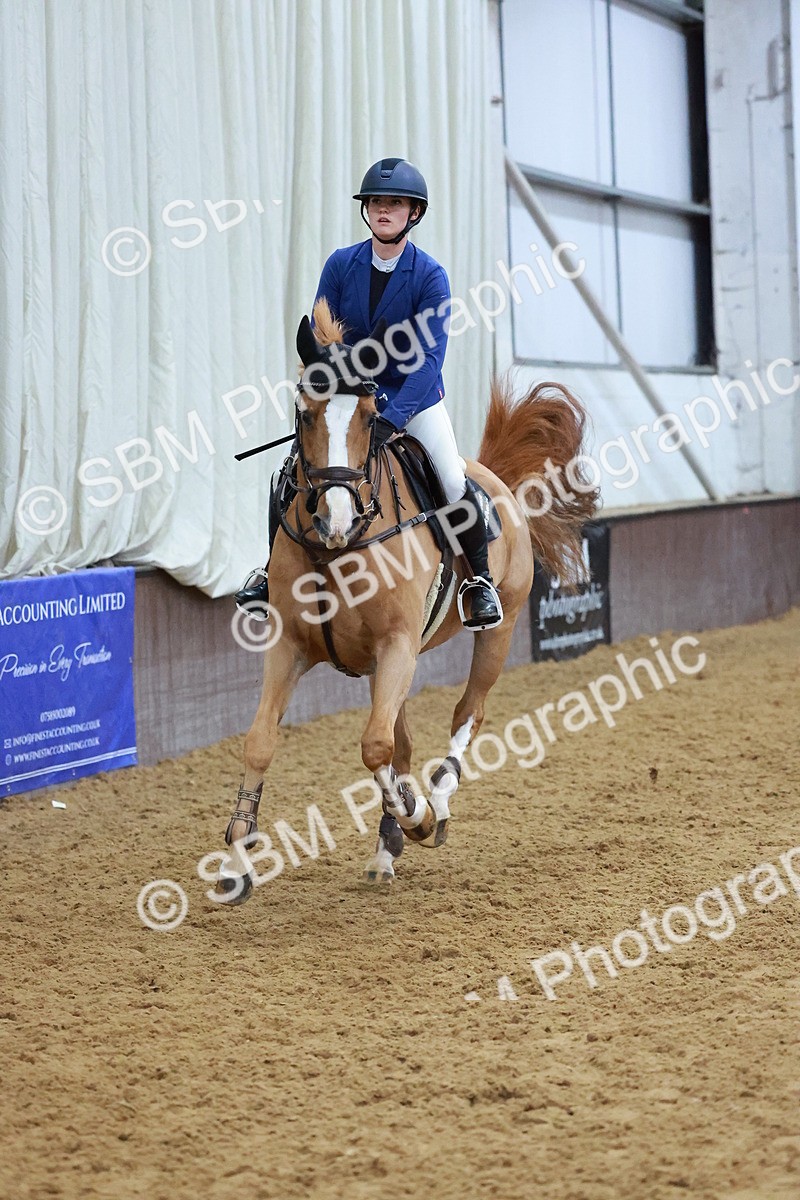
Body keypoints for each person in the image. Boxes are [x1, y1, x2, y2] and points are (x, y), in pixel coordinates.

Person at [235, 157, 503, 630]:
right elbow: (322, 336)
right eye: (376, 202)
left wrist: (393, 415)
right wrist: (337, 392)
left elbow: (429, 360)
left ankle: (477, 581)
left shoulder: (430, 277)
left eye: (394, 203)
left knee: (453, 478)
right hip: (349, 399)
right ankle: (268, 575)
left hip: (414, 402)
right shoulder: (341, 265)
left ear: (413, 214)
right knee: (288, 474)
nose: (383, 210)